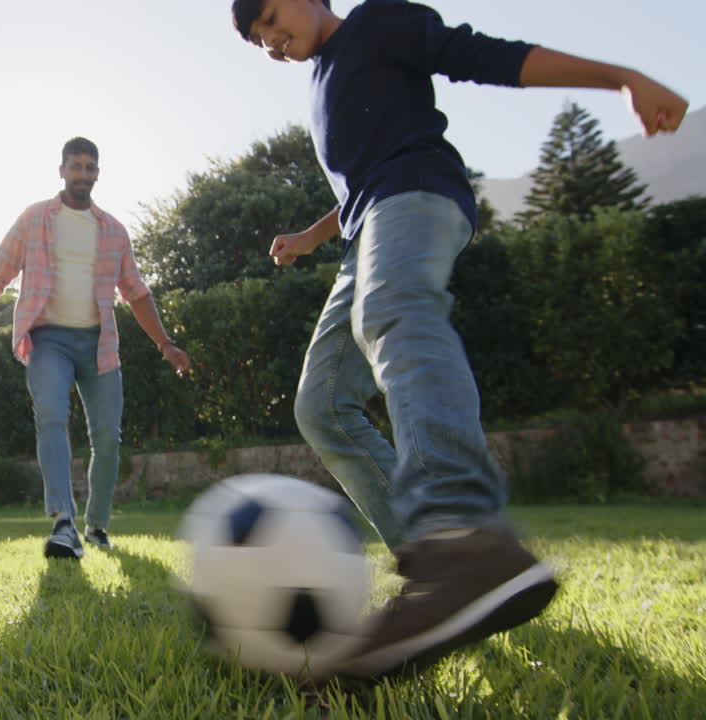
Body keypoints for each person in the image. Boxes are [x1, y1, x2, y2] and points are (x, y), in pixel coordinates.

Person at [229, 0, 688, 677]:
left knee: (395, 307)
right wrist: (312, 236)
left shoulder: (377, 24)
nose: (270, 41)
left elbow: (485, 56)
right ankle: (438, 572)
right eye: (257, 39)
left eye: (269, 18)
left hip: (416, 198)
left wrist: (621, 75)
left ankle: (464, 537)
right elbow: (364, 176)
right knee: (322, 406)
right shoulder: (324, 76)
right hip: (368, 224)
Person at [0, 137, 192, 560]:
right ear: (61, 170)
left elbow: (136, 293)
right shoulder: (34, 220)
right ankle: (62, 521)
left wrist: (165, 344)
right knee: (50, 415)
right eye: (76, 166)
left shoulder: (113, 231)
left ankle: (96, 525)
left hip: (97, 343)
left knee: (107, 438)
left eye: (90, 168)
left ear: (98, 173)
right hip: (47, 339)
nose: (83, 174)